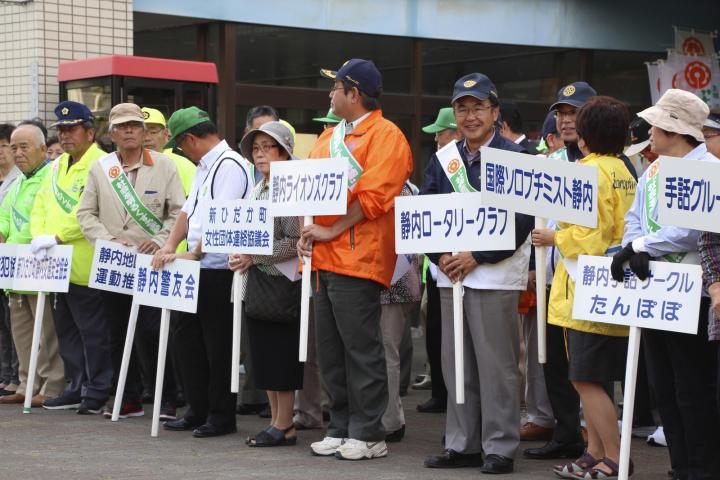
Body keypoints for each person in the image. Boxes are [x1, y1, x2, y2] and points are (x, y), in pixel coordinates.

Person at [297, 58, 413, 460]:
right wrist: (306, 231)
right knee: (330, 350)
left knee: (361, 349)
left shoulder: (387, 135)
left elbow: (376, 196)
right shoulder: (328, 135)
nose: (329, 94)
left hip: (359, 256)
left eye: (335, 88)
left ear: (354, 94)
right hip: (323, 259)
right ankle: (341, 424)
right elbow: (306, 192)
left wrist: (330, 229)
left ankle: (369, 431)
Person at [422, 73, 534, 475]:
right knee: (456, 364)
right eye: (462, 108)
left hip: (494, 275)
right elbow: (426, 213)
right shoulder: (443, 158)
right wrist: (442, 258)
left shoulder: (515, 157)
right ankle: (462, 443)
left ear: (495, 112)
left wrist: (477, 255)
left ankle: (499, 446)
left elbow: (521, 220)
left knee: (496, 365)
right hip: (450, 276)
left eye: (478, 107)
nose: (470, 116)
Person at [614, 89, 720, 480]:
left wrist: (641, 245)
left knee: (693, 386)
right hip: (656, 287)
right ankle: (680, 465)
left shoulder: (708, 167)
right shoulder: (654, 170)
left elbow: (698, 231)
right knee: (664, 385)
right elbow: (634, 216)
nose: (649, 131)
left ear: (673, 129)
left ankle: (703, 467)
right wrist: (632, 244)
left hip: (696, 290)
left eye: (656, 124)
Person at [533, 96, 636, 479]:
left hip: (585, 287)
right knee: (594, 376)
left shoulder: (588, 171)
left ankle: (614, 456)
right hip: (612, 285)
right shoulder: (626, 169)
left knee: (584, 376)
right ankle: (595, 452)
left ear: (586, 137)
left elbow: (589, 237)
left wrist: (554, 237)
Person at [76, 103, 185, 420]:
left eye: (135, 126)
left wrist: (163, 239)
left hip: (152, 262)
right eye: (122, 126)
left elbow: (178, 211)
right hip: (113, 261)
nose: (129, 131)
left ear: (144, 131)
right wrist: (108, 240)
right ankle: (128, 396)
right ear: (111, 134)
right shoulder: (100, 168)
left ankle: (166, 398)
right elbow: (86, 214)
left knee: (154, 331)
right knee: (118, 331)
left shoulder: (165, 166)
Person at [152, 106, 253, 438]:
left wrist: (193, 252)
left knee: (217, 345)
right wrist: (170, 245)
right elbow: (188, 211)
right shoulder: (204, 167)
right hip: (196, 266)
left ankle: (221, 415)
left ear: (191, 139)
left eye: (181, 145)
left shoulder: (231, 165)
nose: (183, 151)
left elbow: (221, 220)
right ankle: (197, 409)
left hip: (220, 268)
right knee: (188, 341)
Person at [524, 82, 605, 462]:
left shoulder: (610, 162)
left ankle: (599, 440)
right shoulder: (550, 163)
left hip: (593, 279)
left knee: (589, 365)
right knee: (554, 360)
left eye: (574, 112)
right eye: (561, 113)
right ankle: (566, 432)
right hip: (554, 280)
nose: (567, 120)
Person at [29, 101, 109, 415]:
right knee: (67, 332)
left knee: (94, 332)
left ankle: (98, 388)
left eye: (72, 129)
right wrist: (39, 234)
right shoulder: (56, 166)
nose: (65, 136)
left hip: (88, 265)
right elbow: (41, 205)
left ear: (90, 132)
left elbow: (90, 214)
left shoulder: (102, 164)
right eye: (61, 130)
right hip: (55, 266)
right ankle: (76, 386)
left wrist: (59, 236)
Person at [228, 121, 303, 447]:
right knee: (264, 355)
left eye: (266, 147)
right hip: (260, 284)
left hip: (285, 284)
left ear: (284, 151)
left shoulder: (290, 186)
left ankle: (285, 423)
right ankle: (277, 422)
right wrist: (240, 253)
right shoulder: (260, 186)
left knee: (281, 355)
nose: (259, 155)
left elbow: (294, 240)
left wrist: (253, 256)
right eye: (255, 149)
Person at [0, 124, 65, 407]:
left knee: (46, 329)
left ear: (42, 148)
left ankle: (51, 386)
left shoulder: (51, 176)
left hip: (39, 260)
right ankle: (27, 383)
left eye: (24, 147)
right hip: (14, 262)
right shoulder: (16, 182)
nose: (18, 153)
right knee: (22, 328)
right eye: (13, 147)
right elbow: (3, 218)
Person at [415, 107, 460, 414]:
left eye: (440, 132)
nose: (435, 138)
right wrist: (437, 254)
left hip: (474, 263)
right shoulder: (438, 162)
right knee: (437, 331)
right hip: (438, 263)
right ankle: (441, 392)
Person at [0, 123, 21, 397]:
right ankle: (5, 373)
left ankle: (16, 375)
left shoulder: (18, 180)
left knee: (12, 321)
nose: (1, 152)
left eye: (5, 146)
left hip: (12, 259)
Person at [141, 107, 197, 195]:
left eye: (153, 132)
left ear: (166, 133)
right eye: (142, 133)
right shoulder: (125, 165)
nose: (147, 138)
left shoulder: (183, 165)